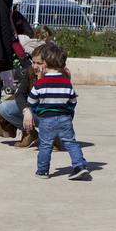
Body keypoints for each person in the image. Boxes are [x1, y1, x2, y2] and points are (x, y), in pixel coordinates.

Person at [25, 42, 90, 180]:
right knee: (71, 143)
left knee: (45, 145)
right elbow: (73, 101)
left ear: (45, 64)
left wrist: (37, 109)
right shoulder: (67, 83)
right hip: (64, 119)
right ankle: (79, 165)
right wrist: (67, 111)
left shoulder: (40, 84)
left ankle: (43, 171)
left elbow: (31, 101)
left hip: (46, 120)